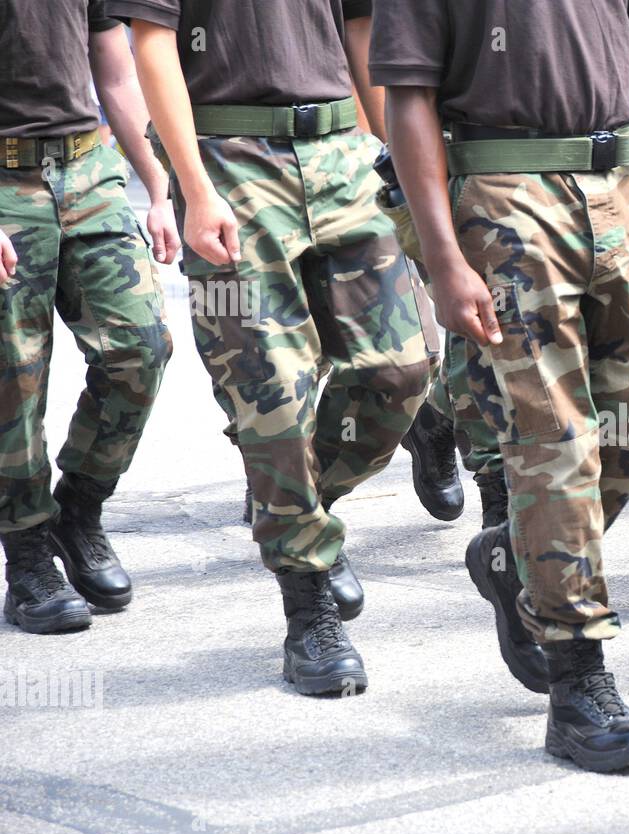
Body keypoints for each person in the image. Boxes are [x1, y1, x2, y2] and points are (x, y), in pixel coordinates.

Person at [374, 0, 629, 771]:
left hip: (628, 188)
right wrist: (441, 256)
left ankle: (519, 556)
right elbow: (410, 95)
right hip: (506, 194)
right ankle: (580, 684)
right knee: (554, 438)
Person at [110, 0, 431, 695]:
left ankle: (300, 512)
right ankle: (308, 598)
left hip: (343, 149)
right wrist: (191, 189)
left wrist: (391, 159)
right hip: (231, 158)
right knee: (273, 397)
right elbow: (152, 43)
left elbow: (358, 28)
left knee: (402, 370)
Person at [1, 1, 176, 634]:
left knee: (141, 345)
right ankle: (26, 556)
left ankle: (78, 508)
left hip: (86, 168)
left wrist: (156, 182)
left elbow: (116, 69)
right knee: (13, 375)